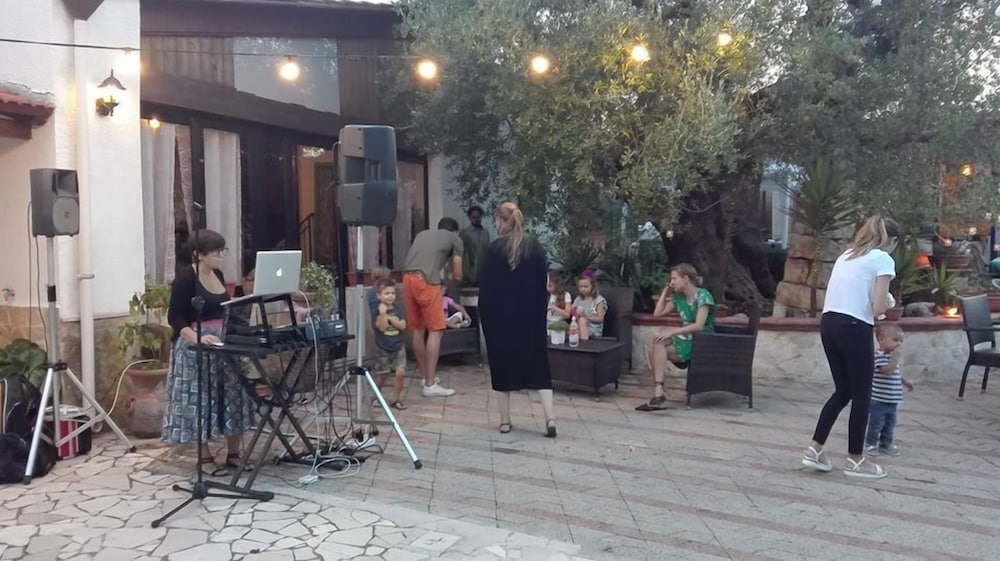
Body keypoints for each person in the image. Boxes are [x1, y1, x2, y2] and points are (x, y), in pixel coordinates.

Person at [802, 215, 898, 480]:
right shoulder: (883, 258)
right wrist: (888, 303)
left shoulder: (847, 255)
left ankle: (814, 449)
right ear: (892, 240)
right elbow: (878, 308)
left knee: (843, 391)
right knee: (862, 395)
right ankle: (856, 459)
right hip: (854, 327)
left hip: (829, 324)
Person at [162, 229, 257, 477]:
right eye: (215, 252)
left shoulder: (218, 274)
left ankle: (234, 453)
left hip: (223, 344)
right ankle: (204, 457)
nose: (221, 256)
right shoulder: (185, 279)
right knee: (201, 400)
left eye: (222, 250)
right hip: (196, 347)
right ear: (199, 254)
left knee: (234, 394)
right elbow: (175, 317)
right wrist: (197, 337)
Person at [478, 202, 556, 437]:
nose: (495, 224)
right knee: (540, 368)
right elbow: (543, 286)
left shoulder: (493, 250)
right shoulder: (535, 248)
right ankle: (550, 418)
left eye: (496, 219)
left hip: (500, 321)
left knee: (501, 368)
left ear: (503, 221)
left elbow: (486, 289)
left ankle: (505, 421)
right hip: (530, 319)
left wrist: (486, 318)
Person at [635, 263, 716, 412]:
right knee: (658, 341)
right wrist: (666, 291)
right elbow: (657, 313)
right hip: (686, 338)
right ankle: (658, 391)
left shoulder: (703, 296)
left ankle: (659, 391)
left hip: (702, 340)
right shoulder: (679, 297)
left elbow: (699, 325)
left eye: (674, 279)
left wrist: (672, 332)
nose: (671, 282)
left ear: (686, 279)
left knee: (658, 346)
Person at [402, 218, 463, 397]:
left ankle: (425, 377)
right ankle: (430, 385)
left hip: (407, 280)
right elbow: (458, 275)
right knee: (436, 330)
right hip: (427, 282)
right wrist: (447, 284)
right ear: (455, 231)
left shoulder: (422, 234)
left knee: (418, 330)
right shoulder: (454, 238)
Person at [866, 322, 914, 456]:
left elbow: (895, 374)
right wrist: (895, 359)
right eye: (895, 340)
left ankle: (885, 444)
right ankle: (870, 444)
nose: (899, 344)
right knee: (876, 423)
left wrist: (905, 382)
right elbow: (887, 372)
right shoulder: (879, 356)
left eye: (901, 341)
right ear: (881, 339)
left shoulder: (891, 357)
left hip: (892, 400)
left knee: (890, 424)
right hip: (879, 400)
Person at [371, 277, 408, 410]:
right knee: (383, 374)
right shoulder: (376, 311)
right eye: (387, 293)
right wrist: (382, 314)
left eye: (392, 293)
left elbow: (403, 326)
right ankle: (375, 396)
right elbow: (382, 328)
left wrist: (390, 319)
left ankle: (395, 398)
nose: (390, 296)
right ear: (379, 295)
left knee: (401, 373)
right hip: (383, 347)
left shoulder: (398, 310)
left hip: (398, 346)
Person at [459, 205, 491, 287]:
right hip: (470, 273)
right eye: (473, 217)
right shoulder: (465, 234)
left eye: (478, 217)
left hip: (484, 272)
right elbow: (463, 255)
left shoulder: (485, 233)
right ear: (469, 218)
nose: (476, 219)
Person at [572, 271, 607, 339]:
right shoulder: (578, 299)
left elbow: (600, 319)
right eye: (581, 287)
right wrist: (574, 312)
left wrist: (585, 316)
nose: (583, 289)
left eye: (586, 286)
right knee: (566, 331)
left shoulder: (599, 300)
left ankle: (584, 343)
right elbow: (574, 316)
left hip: (593, 328)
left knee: (582, 320)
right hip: (579, 326)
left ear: (593, 286)